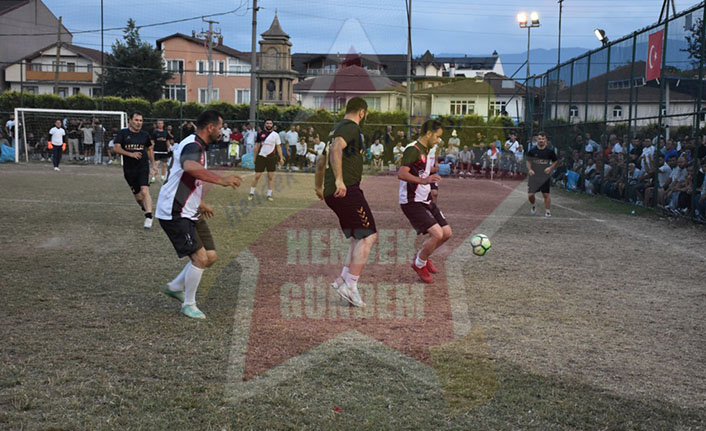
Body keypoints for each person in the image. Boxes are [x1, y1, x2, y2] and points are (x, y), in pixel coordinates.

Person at [156, 110, 242, 319]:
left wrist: (200, 202)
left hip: (191, 210)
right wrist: (221, 180)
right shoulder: (193, 145)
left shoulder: (198, 145)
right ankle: (188, 304)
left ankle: (176, 286)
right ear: (210, 127)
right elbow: (190, 167)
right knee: (200, 258)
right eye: (220, 127)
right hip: (175, 211)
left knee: (210, 257)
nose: (221, 131)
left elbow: (186, 176)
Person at [314, 97, 377, 308]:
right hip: (346, 190)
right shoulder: (351, 128)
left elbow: (320, 161)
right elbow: (335, 150)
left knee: (356, 236)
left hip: (334, 192)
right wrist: (340, 180)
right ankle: (350, 285)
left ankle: (343, 278)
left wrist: (319, 186)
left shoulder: (335, 129)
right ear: (362, 112)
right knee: (369, 236)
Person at [398, 119, 451, 284]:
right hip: (411, 201)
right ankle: (419, 263)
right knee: (437, 234)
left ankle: (423, 256)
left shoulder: (427, 149)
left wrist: (431, 174)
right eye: (437, 136)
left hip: (425, 198)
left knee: (447, 233)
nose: (438, 140)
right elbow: (401, 173)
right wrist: (424, 180)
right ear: (428, 133)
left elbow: (423, 169)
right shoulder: (413, 149)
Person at [113, 112, 158, 229]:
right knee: (138, 197)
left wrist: (154, 165)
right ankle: (145, 207)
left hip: (142, 167)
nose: (139, 123)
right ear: (130, 121)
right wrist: (130, 154)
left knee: (144, 191)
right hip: (129, 170)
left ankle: (149, 217)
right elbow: (116, 148)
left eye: (141, 121)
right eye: (136, 120)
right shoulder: (123, 133)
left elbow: (149, 150)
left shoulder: (145, 135)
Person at [248, 119, 285, 201]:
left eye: (270, 123)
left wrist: (281, 157)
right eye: (267, 123)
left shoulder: (276, 135)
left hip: (271, 158)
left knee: (270, 177)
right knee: (257, 176)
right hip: (261, 157)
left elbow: (278, 147)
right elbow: (256, 146)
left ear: (272, 125)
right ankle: (251, 193)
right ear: (265, 124)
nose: (269, 125)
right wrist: (254, 157)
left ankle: (269, 194)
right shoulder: (260, 133)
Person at [526, 131, 558, 217]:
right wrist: (530, 169)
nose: (541, 140)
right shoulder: (532, 151)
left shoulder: (549, 151)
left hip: (544, 176)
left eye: (543, 139)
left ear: (546, 140)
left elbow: (555, 161)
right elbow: (528, 161)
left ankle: (547, 211)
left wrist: (550, 168)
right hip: (534, 176)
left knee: (546, 194)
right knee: (531, 195)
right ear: (537, 140)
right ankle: (533, 206)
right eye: (539, 139)